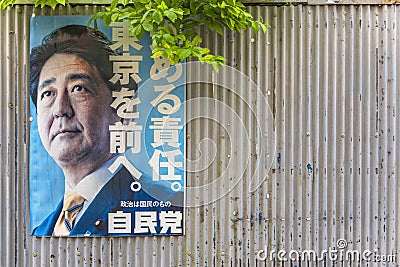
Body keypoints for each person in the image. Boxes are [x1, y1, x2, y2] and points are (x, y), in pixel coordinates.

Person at [30, 25, 181, 236]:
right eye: (47, 94)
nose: (60, 109)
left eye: (78, 88)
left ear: (123, 108)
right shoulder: (40, 233)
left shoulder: (168, 209)